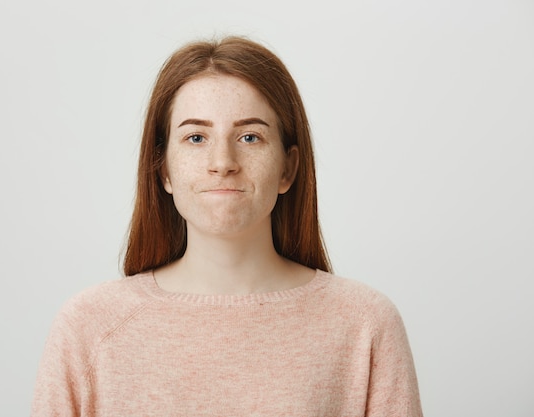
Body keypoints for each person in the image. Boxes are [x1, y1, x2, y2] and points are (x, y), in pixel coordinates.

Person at [31, 36, 423, 416]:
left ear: (288, 168)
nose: (222, 161)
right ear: (163, 169)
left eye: (250, 137)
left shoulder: (365, 325)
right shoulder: (88, 327)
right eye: (196, 137)